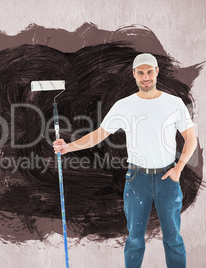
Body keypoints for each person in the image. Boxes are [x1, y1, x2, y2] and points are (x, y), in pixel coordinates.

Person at [53, 53, 197, 268]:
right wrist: (68, 147)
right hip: (137, 179)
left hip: (168, 177)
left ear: (157, 72)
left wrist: (179, 169)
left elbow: (190, 139)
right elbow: (99, 135)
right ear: (134, 75)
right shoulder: (125, 105)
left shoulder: (173, 104)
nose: (145, 77)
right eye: (141, 73)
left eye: (149, 72)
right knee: (135, 240)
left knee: (173, 239)